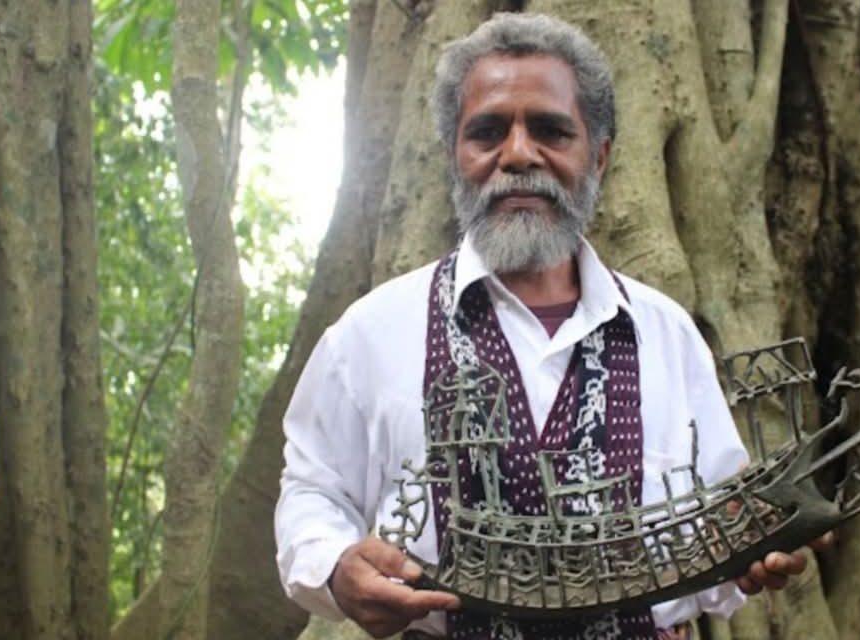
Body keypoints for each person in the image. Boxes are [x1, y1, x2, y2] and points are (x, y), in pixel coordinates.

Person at [276, 12, 822, 640]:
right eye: (486, 132)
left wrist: (759, 542)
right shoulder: (372, 334)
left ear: (600, 156)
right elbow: (313, 491)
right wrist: (337, 566)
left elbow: (721, 520)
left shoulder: (665, 335)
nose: (517, 155)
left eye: (551, 130)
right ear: (455, 157)